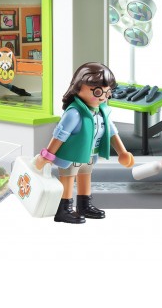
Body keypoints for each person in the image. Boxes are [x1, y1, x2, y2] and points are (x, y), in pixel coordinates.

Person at [35, 62, 134, 224]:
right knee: (68, 178)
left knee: (85, 176)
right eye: (97, 91)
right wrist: (47, 155)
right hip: (71, 154)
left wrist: (122, 152)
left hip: (89, 154)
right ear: (78, 87)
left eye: (107, 92)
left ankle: (84, 206)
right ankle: (63, 209)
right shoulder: (74, 113)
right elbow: (60, 135)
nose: (103, 96)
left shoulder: (102, 112)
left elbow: (112, 132)